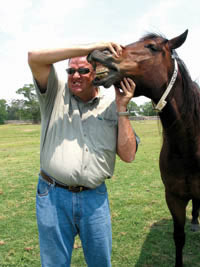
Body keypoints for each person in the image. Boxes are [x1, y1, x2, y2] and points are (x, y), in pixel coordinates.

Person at [28, 41, 139, 267]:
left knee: (100, 263)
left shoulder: (111, 105)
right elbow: (34, 57)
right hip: (53, 196)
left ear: (95, 73)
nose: (75, 75)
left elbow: (128, 155)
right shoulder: (55, 94)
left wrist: (122, 107)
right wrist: (92, 48)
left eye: (83, 70)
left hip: (94, 199)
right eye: (71, 70)